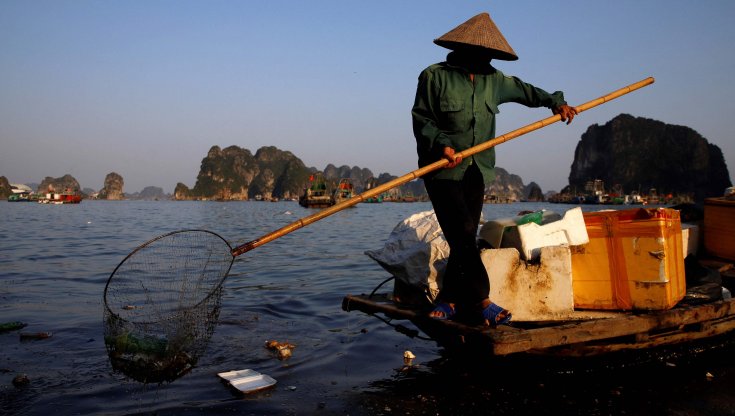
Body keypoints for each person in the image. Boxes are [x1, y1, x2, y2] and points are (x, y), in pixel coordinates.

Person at [411, 12, 577, 326]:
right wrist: (442, 145)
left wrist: (556, 102)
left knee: (465, 238)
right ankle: (482, 299)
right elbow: (422, 120)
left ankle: (448, 298)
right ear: (462, 49)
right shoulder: (434, 76)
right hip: (441, 170)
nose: (485, 59)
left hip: (478, 168)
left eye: (489, 54)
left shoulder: (494, 80)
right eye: (480, 53)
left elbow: (529, 92)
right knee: (460, 232)